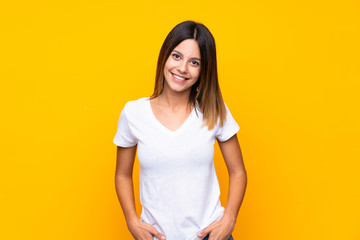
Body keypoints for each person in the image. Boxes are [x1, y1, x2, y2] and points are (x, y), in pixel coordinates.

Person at [113, 20, 247, 240]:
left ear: (204, 70)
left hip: (208, 236)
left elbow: (238, 172)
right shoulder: (133, 113)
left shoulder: (213, 110)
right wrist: (131, 220)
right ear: (164, 56)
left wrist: (229, 219)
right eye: (177, 56)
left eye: (194, 62)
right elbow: (122, 174)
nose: (182, 68)